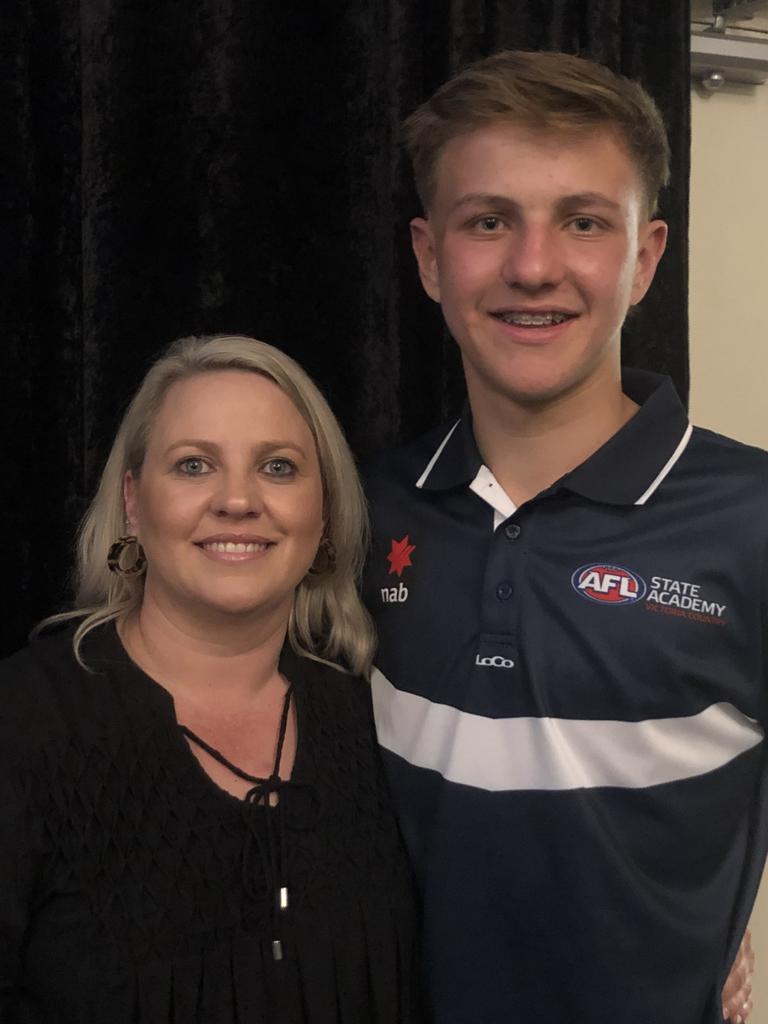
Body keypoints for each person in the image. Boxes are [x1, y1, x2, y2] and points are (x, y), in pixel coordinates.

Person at [363, 50, 764, 1023]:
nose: (533, 265)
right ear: (428, 256)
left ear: (645, 257)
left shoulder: (752, 518)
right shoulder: (361, 511)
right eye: (488, 220)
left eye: (583, 221)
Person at [0, 335, 422, 1022]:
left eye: (278, 467)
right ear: (134, 503)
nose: (236, 500)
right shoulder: (23, 725)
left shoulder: (377, 721)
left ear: (323, 515)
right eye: (194, 465)